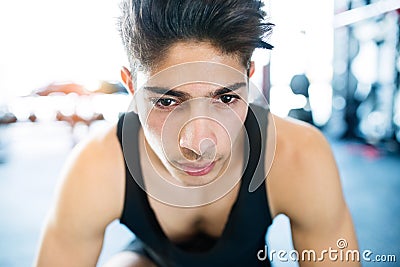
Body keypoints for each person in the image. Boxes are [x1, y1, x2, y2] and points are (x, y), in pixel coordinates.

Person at [35, 0, 360, 266]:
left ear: (248, 78)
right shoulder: (95, 168)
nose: (199, 143)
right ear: (131, 85)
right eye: (166, 101)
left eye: (226, 98)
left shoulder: (299, 155)